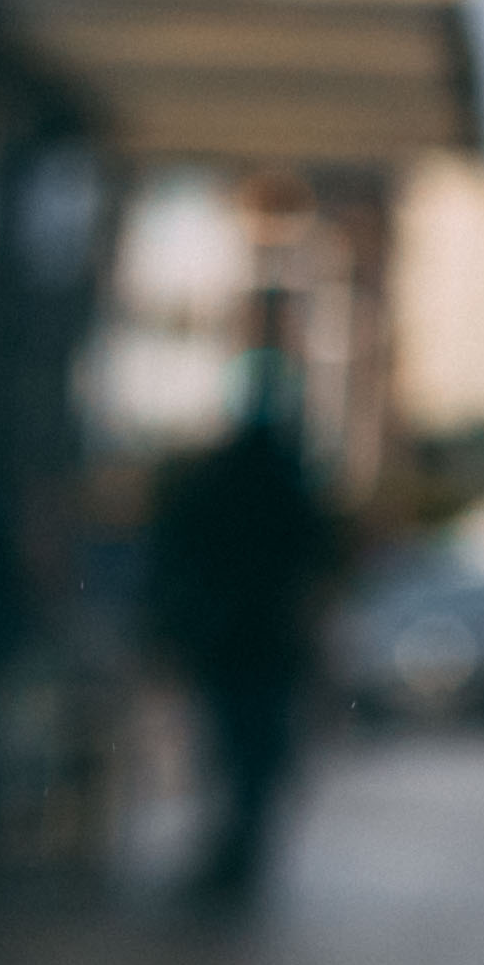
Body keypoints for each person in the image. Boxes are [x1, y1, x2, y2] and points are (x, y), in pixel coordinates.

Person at [140, 299, 344, 906]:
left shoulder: (221, 476)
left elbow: (178, 549)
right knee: (252, 755)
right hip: (260, 642)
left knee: (233, 752)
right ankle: (239, 852)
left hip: (233, 640)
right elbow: (319, 555)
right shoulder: (285, 479)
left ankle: (235, 852)